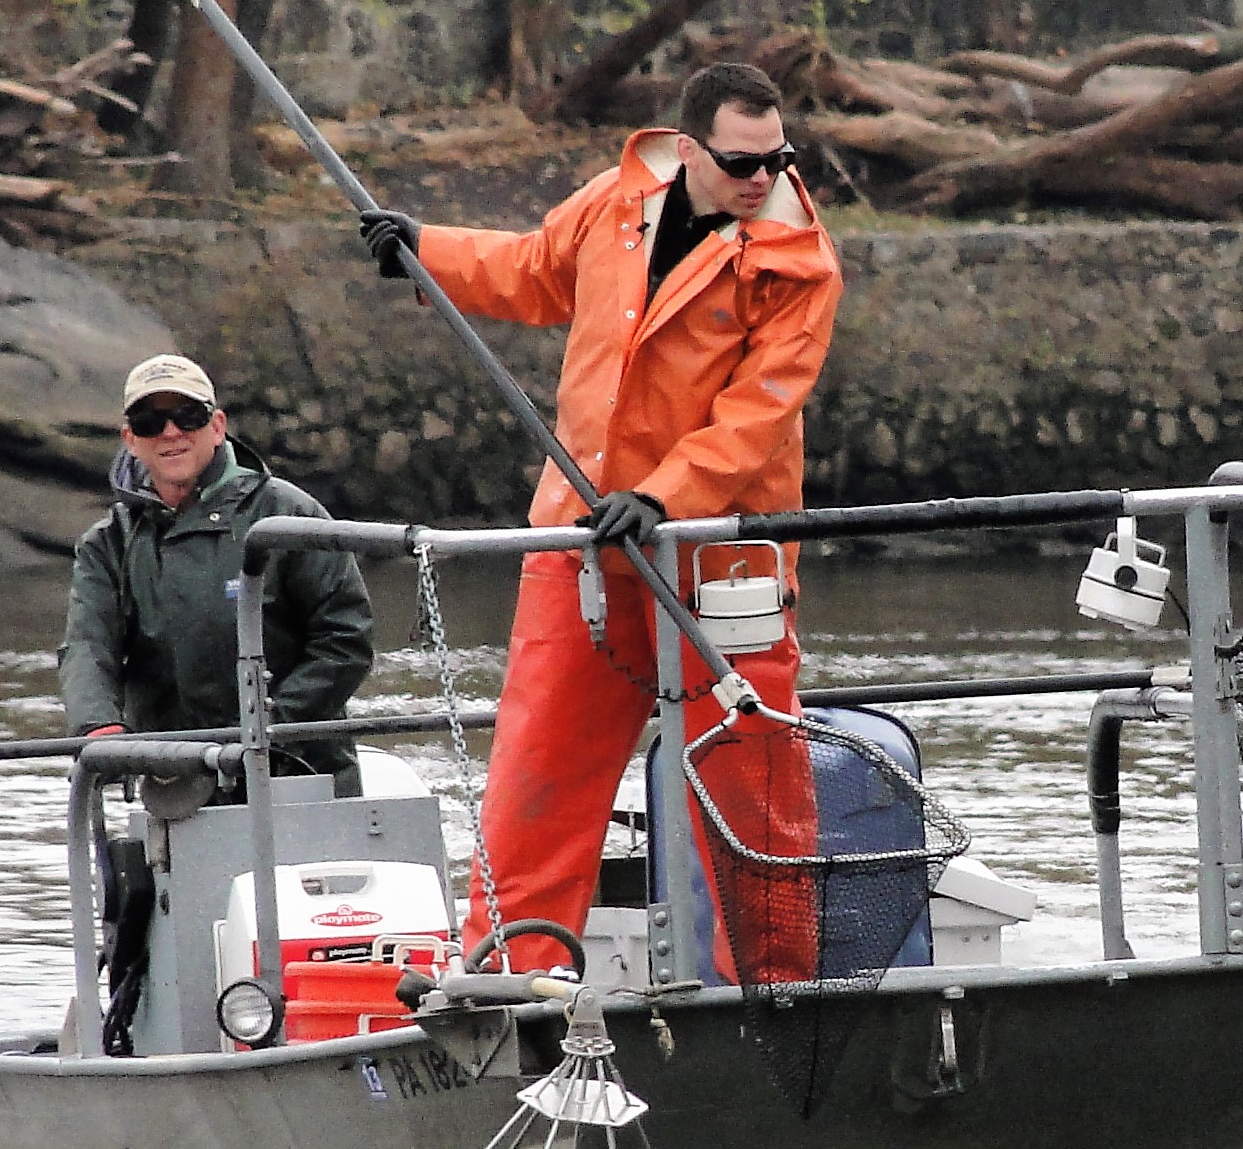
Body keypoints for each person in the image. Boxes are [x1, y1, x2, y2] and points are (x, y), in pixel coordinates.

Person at [356, 61, 843, 971]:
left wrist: (663, 497)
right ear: (692, 150)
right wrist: (426, 248)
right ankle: (512, 978)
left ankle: (784, 993)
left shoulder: (800, 264)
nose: (762, 179)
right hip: (582, 540)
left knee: (754, 793)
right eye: (742, 162)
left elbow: (760, 412)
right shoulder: (614, 203)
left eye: (778, 159)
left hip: (720, 559)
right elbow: (534, 273)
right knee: (536, 781)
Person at [59, 353, 376, 793]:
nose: (170, 432)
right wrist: (99, 730)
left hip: (301, 774)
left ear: (217, 425)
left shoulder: (289, 515)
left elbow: (345, 639)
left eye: (187, 415)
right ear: (130, 439)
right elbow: (88, 647)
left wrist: (269, 727)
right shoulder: (106, 544)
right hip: (173, 785)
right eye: (150, 421)